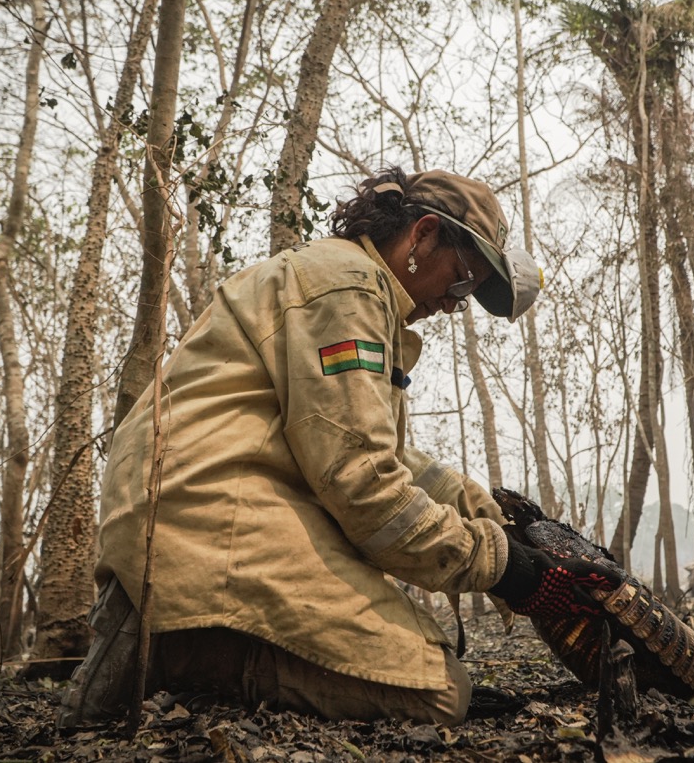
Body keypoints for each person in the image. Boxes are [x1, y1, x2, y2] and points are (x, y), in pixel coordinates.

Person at [57, 167, 618, 729]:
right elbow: (364, 486)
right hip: (205, 518)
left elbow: (370, 448)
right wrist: (508, 570)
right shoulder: (347, 289)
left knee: (434, 681)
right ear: (423, 235)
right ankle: (176, 654)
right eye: (464, 278)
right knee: (440, 696)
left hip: (195, 510)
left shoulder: (343, 280)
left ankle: (175, 631)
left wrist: (484, 511)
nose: (455, 303)